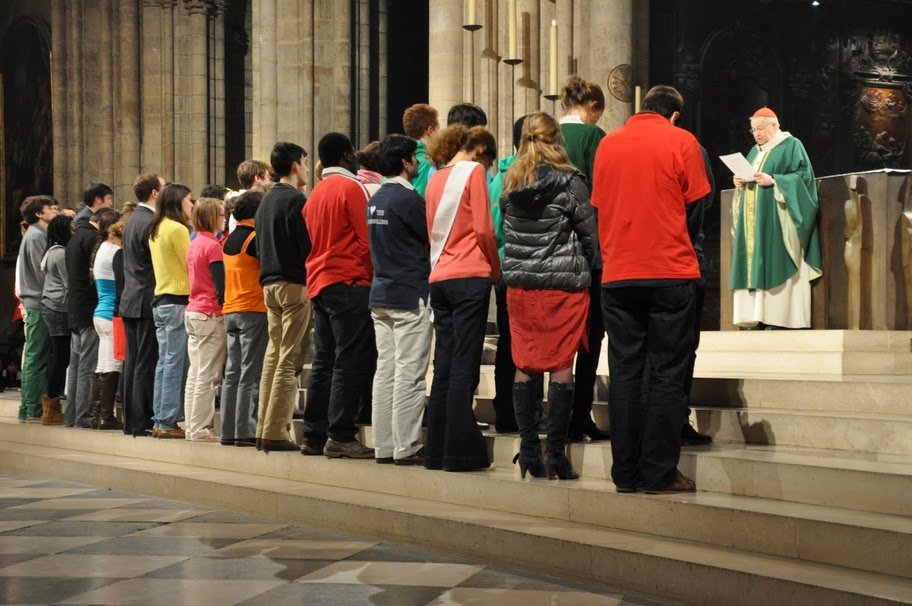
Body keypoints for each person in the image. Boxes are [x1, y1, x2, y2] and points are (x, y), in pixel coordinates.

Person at [591, 85, 711, 494]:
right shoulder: (683, 140)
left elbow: (598, 206)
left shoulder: (609, 145)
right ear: (674, 115)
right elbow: (698, 203)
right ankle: (659, 472)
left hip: (619, 274)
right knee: (667, 374)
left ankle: (625, 473)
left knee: (625, 374)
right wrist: (675, 234)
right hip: (669, 271)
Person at [501, 112, 598, 480]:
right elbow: (589, 234)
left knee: (525, 363)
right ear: (555, 139)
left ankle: (528, 451)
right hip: (562, 287)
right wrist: (583, 266)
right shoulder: (570, 182)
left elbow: (507, 232)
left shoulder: (508, 181)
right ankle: (555, 455)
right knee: (561, 366)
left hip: (522, 286)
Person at [423, 124, 499, 472]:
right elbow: (484, 228)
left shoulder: (436, 177)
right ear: (480, 149)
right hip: (470, 276)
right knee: (464, 367)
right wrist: (494, 266)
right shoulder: (474, 172)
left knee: (444, 366)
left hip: (440, 277)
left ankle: (436, 449)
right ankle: (460, 452)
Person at [301, 132, 376, 460]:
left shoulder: (315, 193)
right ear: (346, 155)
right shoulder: (351, 187)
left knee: (324, 360)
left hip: (319, 281)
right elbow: (366, 240)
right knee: (349, 360)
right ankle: (342, 434)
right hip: (348, 281)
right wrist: (369, 279)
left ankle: (312, 435)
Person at [367, 134, 432, 466]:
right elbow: (429, 237)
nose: (418, 163)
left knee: (386, 371)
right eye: (415, 158)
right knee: (410, 372)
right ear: (406, 163)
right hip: (408, 293)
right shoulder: (409, 199)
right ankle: (406, 445)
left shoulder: (376, 197)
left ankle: (384, 444)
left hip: (381, 292)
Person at [731, 107, 822, 329]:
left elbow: (804, 178)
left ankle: (779, 318)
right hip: (754, 222)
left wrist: (775, 181)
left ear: (775, 124)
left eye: (760, 129)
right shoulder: (754, 151)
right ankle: (756, 317)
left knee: (774, 259)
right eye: (753, 130)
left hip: (778, 220)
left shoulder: (792, 146)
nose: (756, 134)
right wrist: (740, 183)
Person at [558, 75, 610, 442]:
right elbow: (602, 193)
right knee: (591, 337)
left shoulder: (541, 134)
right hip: (588, 252)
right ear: (593, 107)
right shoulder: (593, 137)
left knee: (556, 340)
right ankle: (579, 417)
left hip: (546, 253)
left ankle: (554, 417)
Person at [255, 141, 311, 452]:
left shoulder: (265, 201)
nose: (306, 168)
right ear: (294, 165)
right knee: (289, 362)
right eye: (304, 162)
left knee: (272, 358)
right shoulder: (295, 200)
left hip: (269, 285)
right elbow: (307, 246)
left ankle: (264, 428)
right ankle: (276, 433)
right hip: (292, 284)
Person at [486, 116, 527, 434]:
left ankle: (506, 413)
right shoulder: (528, 175)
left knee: (508, 344)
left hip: (503, 268)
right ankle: (523, 412)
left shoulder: (498, 178)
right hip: (525, 270)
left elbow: (493, 228)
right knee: (527, 345)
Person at [220, 190, 267, 447]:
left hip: (231, 309)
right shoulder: (253, 238)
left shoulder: (228, 239)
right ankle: (245, 430)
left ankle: (228, 430)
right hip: (253, 309)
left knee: (233, 373)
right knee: (250, 373)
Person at [148, 183, 194, 439]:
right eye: (189, 200)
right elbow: (191, 265)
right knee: (174, 362)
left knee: (165, 362)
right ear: (177, 202)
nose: (192, 205)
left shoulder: (156, 227)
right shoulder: (177, 229)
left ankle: (160, 418)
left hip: (161, 300)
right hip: (177, 300)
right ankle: (167, 422)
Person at [121, 173, 165, 437]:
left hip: (131, 298)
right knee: (144, 364)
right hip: (146, 298)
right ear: (155, 193)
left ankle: (131, 422)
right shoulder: (150, 221)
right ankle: (141, 421)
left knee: (133, 362)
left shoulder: (132, 220)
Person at [66, 204, 114, 428]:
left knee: (76, 365)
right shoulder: (91, 238)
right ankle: (83, 416)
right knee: (87, 365)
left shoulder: (75, 236)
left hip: (75, 306)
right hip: (89, 306)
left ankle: (72, 415)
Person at [184, 197, 228, 441]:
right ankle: (200, 428)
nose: (224, 218)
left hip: (193, 310)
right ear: (212, 217)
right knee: (208, 375)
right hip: (209, 312)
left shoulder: (194, 243)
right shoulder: (213, 247)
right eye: (221, 215)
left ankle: (192, 425)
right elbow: (220, 287)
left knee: (195, 373)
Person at [17, 196, 57, 423]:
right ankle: (31, 406)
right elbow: (42, 272)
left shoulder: (38, 234)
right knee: (35, 357)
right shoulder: (35, 236)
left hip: (40, 301)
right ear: (39, 214)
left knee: (39, 357)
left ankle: (33, 406)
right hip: (38, 302)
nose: (56, 210)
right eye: (51, 208)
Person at [90, 210, 124, 430]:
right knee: (113, 364)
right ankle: (106, 416)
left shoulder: (102, 248)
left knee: (102, 364)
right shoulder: (114, 251)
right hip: (111, 314)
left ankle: (98, 414)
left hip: (100, 313)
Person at [38, 214, 73, 426]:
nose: (74, 231)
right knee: (60, 357)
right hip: (59, 307)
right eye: (71, 228)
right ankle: (51, 409)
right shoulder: (60, 253)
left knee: (57, 356)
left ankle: (51, 406)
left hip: (51, 305)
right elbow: (70, 283)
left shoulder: (51, 251)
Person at [402, 103, 440, 196]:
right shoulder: (427, 162)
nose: (439, 136)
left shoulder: (397, 159)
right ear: (430, 130)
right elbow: (420, 202)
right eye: (438, 130)